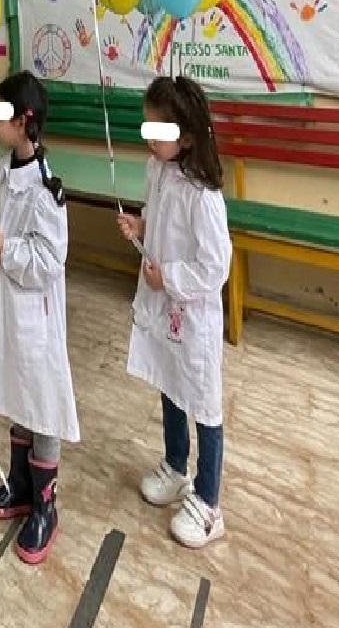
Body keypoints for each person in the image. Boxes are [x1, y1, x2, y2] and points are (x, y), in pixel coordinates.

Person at [120, 76, 232, 550]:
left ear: (186, 137)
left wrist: (167, 278)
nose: (150, 137)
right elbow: (160, 220)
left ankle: (208, 502)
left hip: (193, 315)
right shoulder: (158, 170)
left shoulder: (203, 194)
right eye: (147, 126)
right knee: (170, 383)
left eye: (160, 130)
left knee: (203, 401)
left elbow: (215, 266)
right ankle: (175, 465)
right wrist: (140, 225)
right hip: (167, 311)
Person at [0, 71, 78, 567]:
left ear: (24, 121)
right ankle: (20, 486)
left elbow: (49, 259)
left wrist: (7, 251)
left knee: (41, 406)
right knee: (17, 393)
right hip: (6, 309)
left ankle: (45, 507)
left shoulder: (45, 189)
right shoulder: (1, 173)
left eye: (3, 114)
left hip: (34, 318)